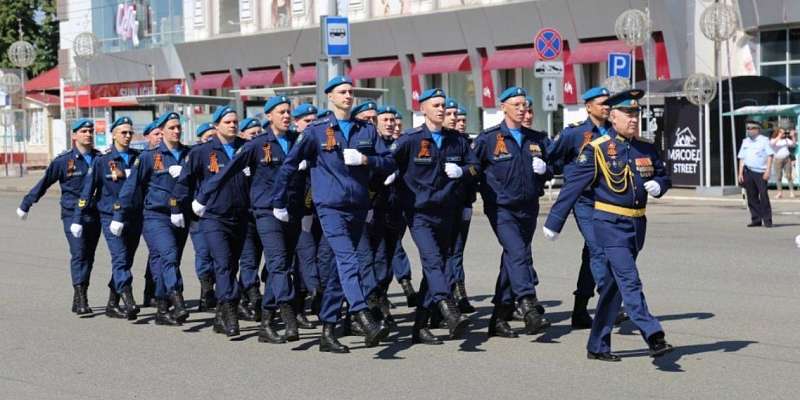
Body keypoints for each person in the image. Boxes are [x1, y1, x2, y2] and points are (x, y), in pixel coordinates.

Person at [543, 89, 674, 361]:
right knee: (629, 279)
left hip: (637, 224)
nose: (633, 118)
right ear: (613, 117)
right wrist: (555, 221)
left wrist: (659, 185)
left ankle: (597, 345)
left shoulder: (646, 147)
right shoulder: (598, 148)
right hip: (609, 224)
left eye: (636, 113)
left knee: (613, 287)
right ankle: (652, 333)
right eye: (627, 113)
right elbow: (573, 186)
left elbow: (664, 175)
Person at [270, 76, 395, 353]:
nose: (348, 95)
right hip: (329, 207)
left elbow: (389, 162)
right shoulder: (316, 130)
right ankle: (363, 315)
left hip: (358, 206)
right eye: (342, 92)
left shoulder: (366, 129)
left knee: (341, 270)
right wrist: (279, 201)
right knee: (349, 260)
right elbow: (289, 165)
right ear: (330, 97)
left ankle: (327, 331)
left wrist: (366, 159)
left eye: (350, 91)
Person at [197, 96, 309, 344]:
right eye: (281, 112)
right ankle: (288, 313)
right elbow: (227, 171)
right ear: (269, 116)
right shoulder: (257, 145)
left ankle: (266, 323)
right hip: (266, 212)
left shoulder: (299, 141)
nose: (286, 116)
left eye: (288, 112)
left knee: (282, 266)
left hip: (292, 211)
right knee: (278, 264)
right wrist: (203, 197)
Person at [392, 88, 478, 345]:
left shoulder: (457, 140)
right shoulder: (410, 140)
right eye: (436, 105)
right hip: (419, 213)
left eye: (443, 105)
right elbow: (387, 162)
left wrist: (462, 172)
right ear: (423, 109)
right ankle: (448, 308)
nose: (441, 109)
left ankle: (419, 327)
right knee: (433, 261)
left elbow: (476, 167)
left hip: (447, 212)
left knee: (438, 266)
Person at [474, 87, 552, 338]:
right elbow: (472, 168)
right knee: (518, 252)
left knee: (512, 258)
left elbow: (554, 165)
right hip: (501, 207)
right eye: (516, 105)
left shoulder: (536, 138)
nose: (521, 109)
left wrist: (546, 170)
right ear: (503, 107)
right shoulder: (489, 139)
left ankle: (498, 318)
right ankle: (528, 305)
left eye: (524, 105)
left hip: (529, 206)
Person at [17, 118, 102, 315]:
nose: (88, 134)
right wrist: (26, 204)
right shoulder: (63, 161)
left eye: (90, 131)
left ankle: (78, 296)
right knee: (79, 253)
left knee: (89, 256)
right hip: (72, 214)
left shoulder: (100, 159)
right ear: (74, 135)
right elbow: (44, 183)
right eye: (84, 131)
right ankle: (82, 298)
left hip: (94, 214)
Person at [546, 86, 612, 329]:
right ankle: (609, 302)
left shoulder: (615, 131)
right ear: (588, 107)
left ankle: (580, 310)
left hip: (609, 200)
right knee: (599, 249)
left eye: (608, 103)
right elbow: (552, 157)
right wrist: (570, 175)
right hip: (585, 201)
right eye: (602, 103)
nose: (607, 107)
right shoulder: (574, 133)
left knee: (592, 253)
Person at [116, 112, 191, 326]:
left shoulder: (189, 154)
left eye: (178, 127)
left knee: (163, 262)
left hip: (181, 216)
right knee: (169, 255)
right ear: (162, 131)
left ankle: (161, 307)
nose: (176, 131)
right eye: (171, 128)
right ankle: (177, 299)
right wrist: (119, 215)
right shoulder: (149, 157)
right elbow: (131, 187)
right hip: (156, 216)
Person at [182, 106, 250, 337]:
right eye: (227, 122)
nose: (232, 125)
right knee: (222, 263)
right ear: (216, 125)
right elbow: (185, 181)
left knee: (233, 264)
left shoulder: (246, 148)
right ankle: (230, 311)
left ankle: (220, 315)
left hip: (240, 215)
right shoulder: (202, 152)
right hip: (214, 217)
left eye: (235, 122)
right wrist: (181, 208)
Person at [74, 116, 142, 320]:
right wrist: (77, 217)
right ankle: (128, 298)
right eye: (123, 132)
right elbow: (87, 191)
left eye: (130, 132)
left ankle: (112, 303)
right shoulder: (102, 161)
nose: (128, 136)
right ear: (113, 135)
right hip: (110, 217)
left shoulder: (139, 158)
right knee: (120, 258)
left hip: (134, 216)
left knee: (126, 260)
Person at [442, 97, 476, 314]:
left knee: (457, 251)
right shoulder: (436, 140)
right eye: (452, 115)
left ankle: (459, 293)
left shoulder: (464, 142)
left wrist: (468, 203)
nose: (457, 120)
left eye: (460, 117)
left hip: (460, 203)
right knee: (441, 254)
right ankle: (443, 297)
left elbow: (474, 171)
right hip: (438, 206)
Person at [140, 121, 162, 307]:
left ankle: (151, 290)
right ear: (147, 137)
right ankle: (157, 292)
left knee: (158, 252)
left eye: (161, 133)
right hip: (145, 212)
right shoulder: (143, 157)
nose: (160, 137)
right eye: (156, 134)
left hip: (161, 213)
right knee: (157, 251)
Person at [739, 120, 774, 227]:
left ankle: (767, 220)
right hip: (748, 171)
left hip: (760, 172)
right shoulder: (745, 141)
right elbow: (742, 158)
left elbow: (770, 156)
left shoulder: (764, 140)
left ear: (758, 129)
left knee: (763, 196)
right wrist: (740, 173)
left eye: (751, 128)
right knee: (751, 197)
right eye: (747, 128)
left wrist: (768, 170)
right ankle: (756, 219)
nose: (749, 130)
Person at [770, 127, 795, 199]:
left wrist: (793, 136)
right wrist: (779, 136)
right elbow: (772, 144)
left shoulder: (786, 140)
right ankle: (779, 193)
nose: (783, 134)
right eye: (781, 132)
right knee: (778, 177)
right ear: (777, 132)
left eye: (784, 132)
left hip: (787, 159)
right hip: (777, 160)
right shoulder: (773, 139)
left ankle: (792, 192)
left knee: (789, 175)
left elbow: (793, 144)